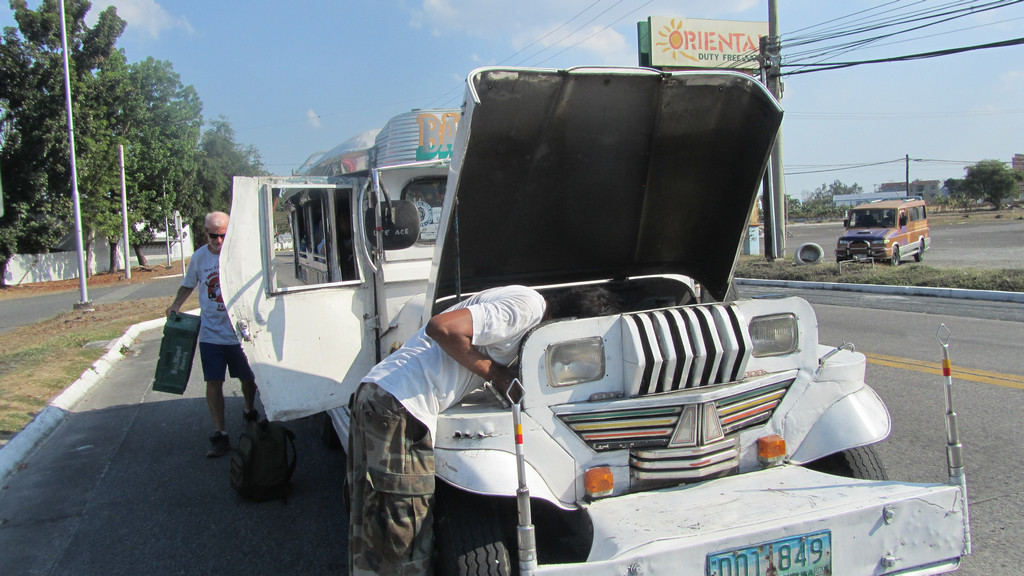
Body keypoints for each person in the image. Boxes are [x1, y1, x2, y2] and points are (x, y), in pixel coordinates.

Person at [346, 284, 619, 575]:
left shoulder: (525, 307)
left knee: (373, 516)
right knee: (403, 527)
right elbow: (442, 327)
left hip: (383, 398)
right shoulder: (527, 308)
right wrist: (497, 374)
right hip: (399, 404)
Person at [166, 211, 259, 458]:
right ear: (205, 232)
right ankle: (220, 435)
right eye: (213, 236)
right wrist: (176, 304)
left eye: (223, 236)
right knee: (214, 382)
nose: (218, 241)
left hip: (239, 333)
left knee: (248, 379)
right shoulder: (199, 257)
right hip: (211, 334)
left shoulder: (239, 255)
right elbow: (188, 284)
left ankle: (249, 410)